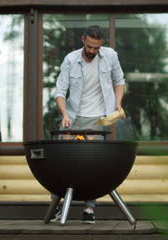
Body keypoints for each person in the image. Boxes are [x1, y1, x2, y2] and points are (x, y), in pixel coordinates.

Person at [52, 25, 126, 224]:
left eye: (97, 48)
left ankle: (89, 209)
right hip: (72, 117)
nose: (93, 51)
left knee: (92, 164)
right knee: (62, 162)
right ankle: (57, 206)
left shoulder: (110, 56)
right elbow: (60, 91)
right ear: (83, 39)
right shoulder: (70, 59)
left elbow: (119, 80)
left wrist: (117, 103)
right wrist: (65, 114)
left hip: (98, 119)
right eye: (90, 46)